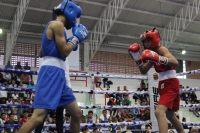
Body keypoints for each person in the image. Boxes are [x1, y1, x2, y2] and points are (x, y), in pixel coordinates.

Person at [18, 1, 89, 133]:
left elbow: (41, 52)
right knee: (37, 118)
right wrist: (76, 39)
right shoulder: (57, 25)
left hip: (59, 75)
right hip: (51, 73)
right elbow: (65, 52)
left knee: (77, 113)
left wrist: (69, 41)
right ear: (70, 12)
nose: (75, 21)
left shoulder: (54, 26)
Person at [128, 28, 185, 133]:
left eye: (148, 41)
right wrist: (138, 60)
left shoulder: (161, 49)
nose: (146, 43)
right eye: (144, 42)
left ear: (153, 39)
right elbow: (143, 70)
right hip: (163, 84)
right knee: (170, 115)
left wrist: (159, 58)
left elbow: (175, 62)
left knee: (159, 112)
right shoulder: (151, 54)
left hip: (170, 82)